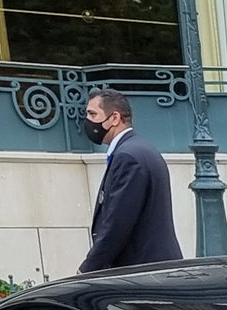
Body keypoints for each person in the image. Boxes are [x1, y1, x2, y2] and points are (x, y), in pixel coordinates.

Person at [78, 88, 182, 274]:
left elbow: (118, 223)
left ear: (115, 118)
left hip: (143, 272)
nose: (88, 121)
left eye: (93, 114)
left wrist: (88, 268)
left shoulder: (128, 156)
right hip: (152, 268)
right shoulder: (140, 149)